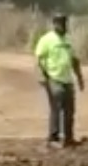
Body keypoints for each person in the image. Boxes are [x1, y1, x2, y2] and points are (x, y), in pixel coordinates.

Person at [34, 12, 84, 147]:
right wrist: (42, 77)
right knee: (56, 107)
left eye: (62, 23)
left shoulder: (68, 39)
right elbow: (39, 59)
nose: (60, 25)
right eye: (57, 23)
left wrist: (80, 78)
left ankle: (69, 137)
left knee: (70, 110)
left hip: (68, 80)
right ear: (54, 24)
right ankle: (53, 138)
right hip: (53, 78)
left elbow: (74, 60)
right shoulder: (46, 39)